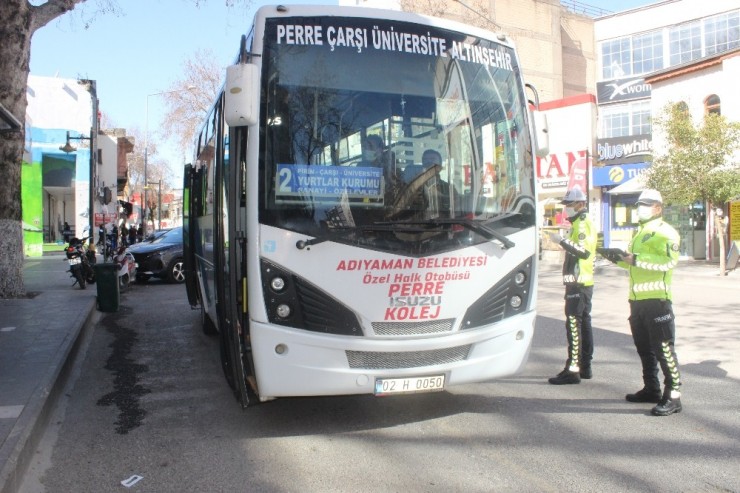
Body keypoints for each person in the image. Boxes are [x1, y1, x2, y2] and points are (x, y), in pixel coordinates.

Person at [607, 189, 683, 416]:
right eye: (639, 204)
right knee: (644, 349)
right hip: (637, 301)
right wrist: (617, 259)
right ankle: (651, 388)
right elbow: (633, 264)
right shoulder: (639, 233)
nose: (640, 208)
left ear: (658, 207)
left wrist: (636, 259)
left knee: (664, 350)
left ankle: (674, 396)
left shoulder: (666, 232)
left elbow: (669, 262)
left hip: (657, 301)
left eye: (645, 204)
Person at [547, 188, 597, 385]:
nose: (566, 209)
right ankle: (584, 366)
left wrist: (562, 241)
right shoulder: (578, 224)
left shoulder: (583, 225)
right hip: (579, 282)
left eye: (569, 205)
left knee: (574, 326)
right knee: (583, 324)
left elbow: (583, 252)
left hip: (579, 282)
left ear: (580, 204)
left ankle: (573, 369)